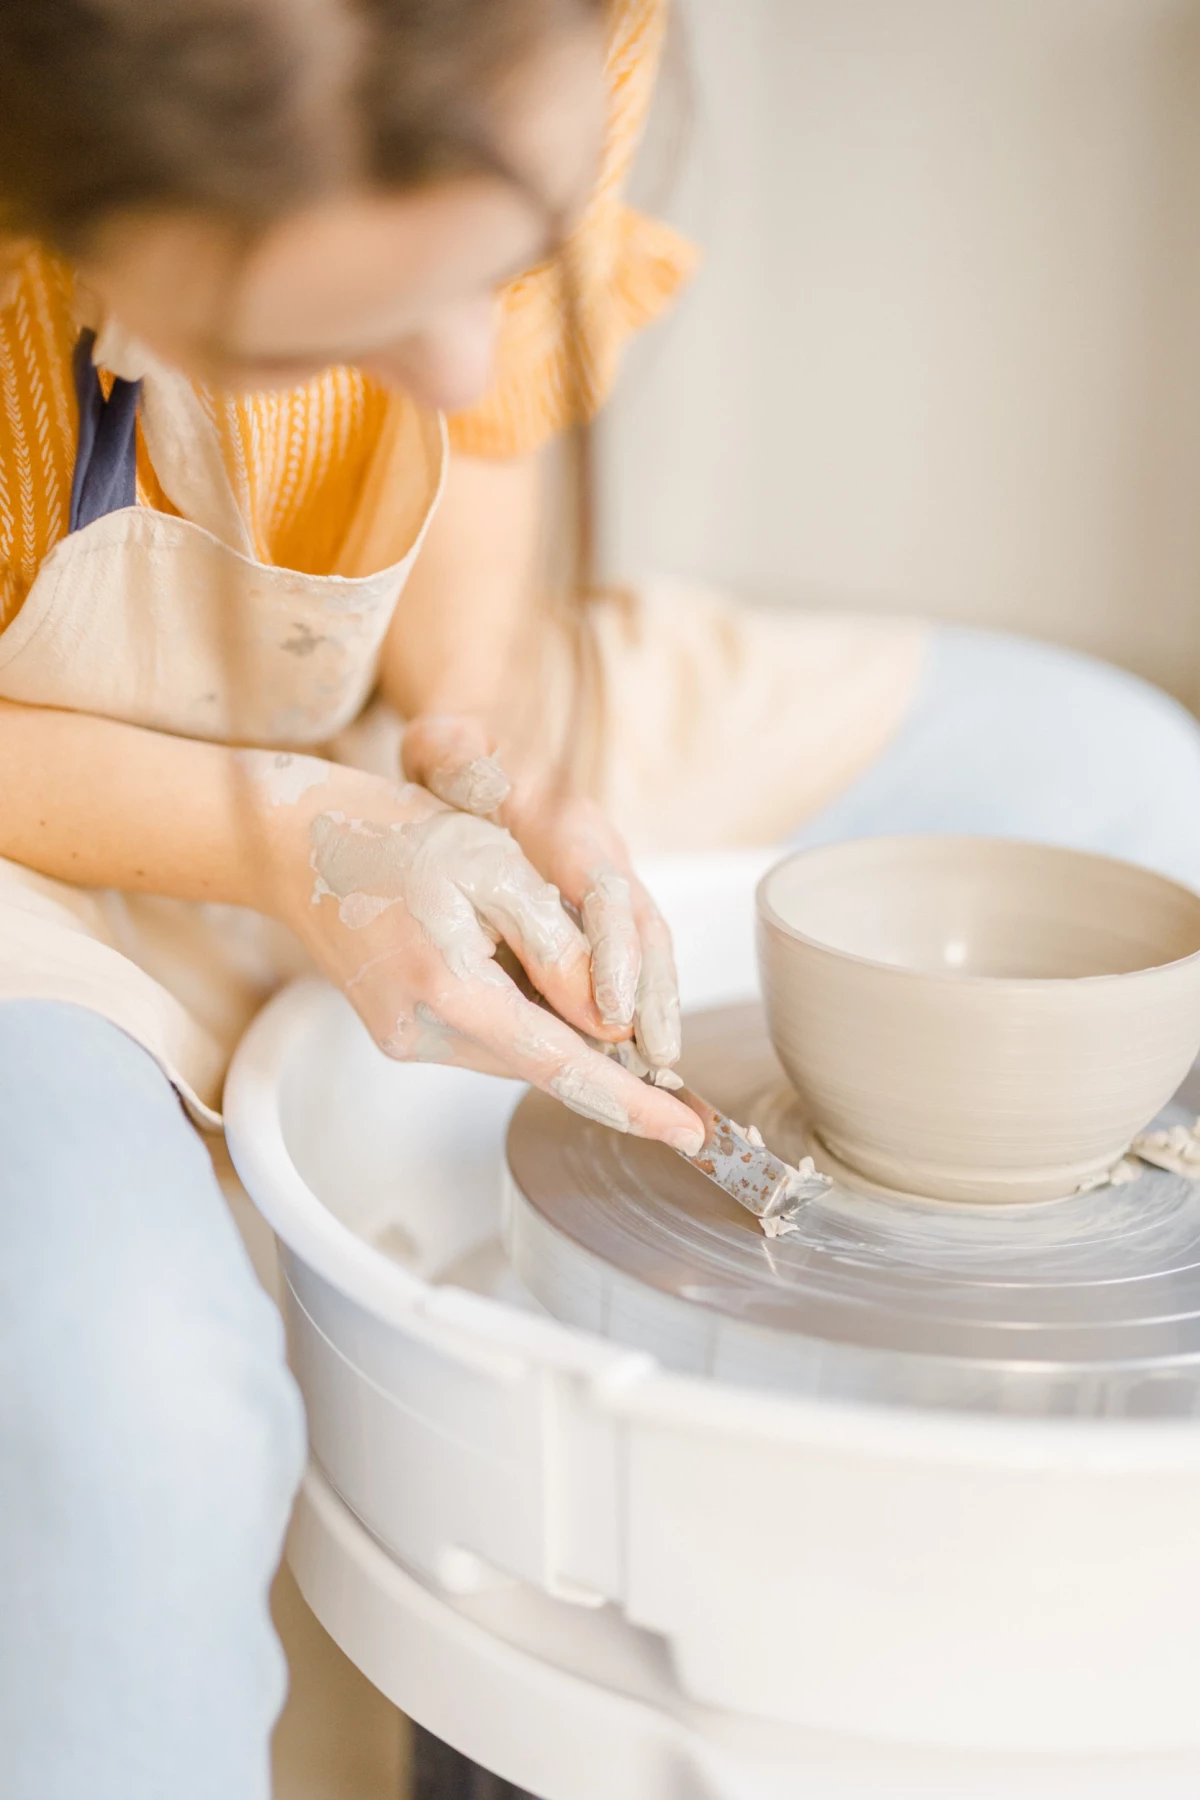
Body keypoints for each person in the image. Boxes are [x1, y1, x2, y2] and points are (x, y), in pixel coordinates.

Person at [2, 2, 1200, 1795]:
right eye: (329, 327)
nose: (466, 362)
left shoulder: (545, 24)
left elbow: (481, 435)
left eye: (504, 265)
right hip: (41, 818)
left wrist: (480, 750)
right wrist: (293, 838)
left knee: (1125, 796)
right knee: (123, 1422)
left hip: (358, 720)